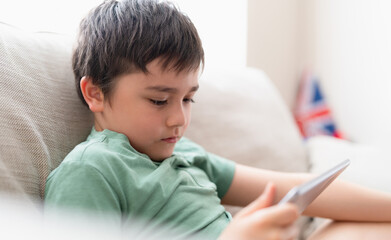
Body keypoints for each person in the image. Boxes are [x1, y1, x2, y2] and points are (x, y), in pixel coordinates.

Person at [44, 0, 391, 239]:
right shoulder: (92, 170)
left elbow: (295, 188)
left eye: (188, 98)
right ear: (95, 93)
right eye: (159, 100)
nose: (179, 119)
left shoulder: (184, 154)